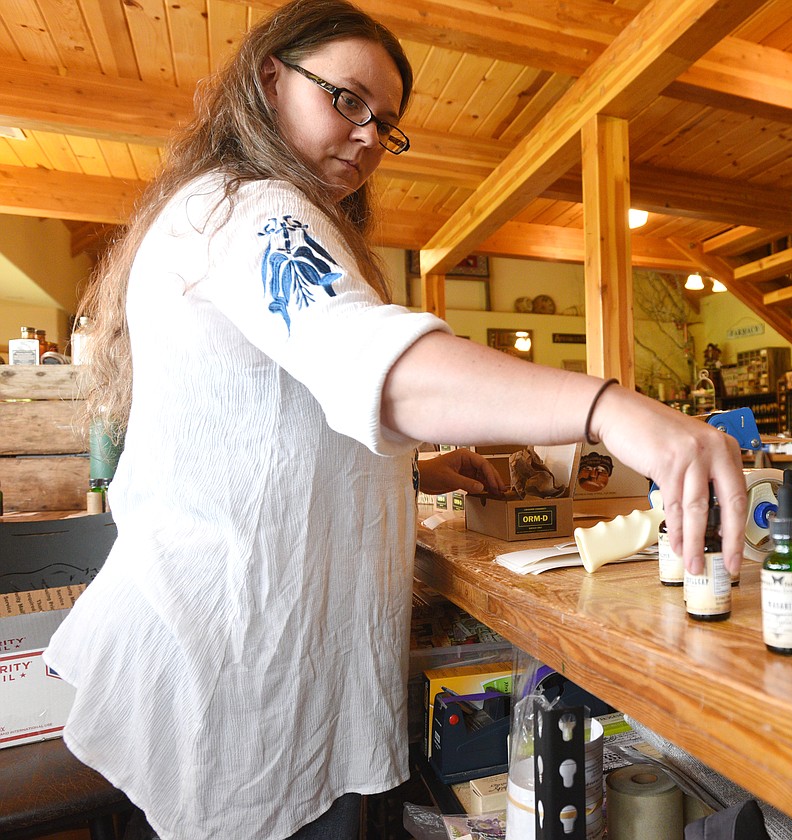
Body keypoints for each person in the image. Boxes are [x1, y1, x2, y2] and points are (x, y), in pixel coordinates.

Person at [43, 1, 746, 838]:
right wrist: (606, 407)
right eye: (347, 100)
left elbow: (262, 426)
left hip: (237, 666)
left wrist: (417, 471)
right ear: (270, 80)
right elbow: (375, 362)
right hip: (225, 680)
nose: (370, 135)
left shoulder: (225, 212)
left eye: (386, 123)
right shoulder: (250, 210)